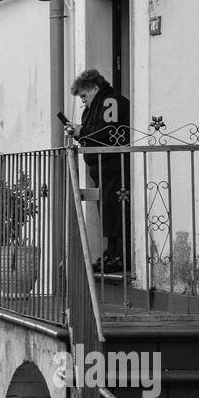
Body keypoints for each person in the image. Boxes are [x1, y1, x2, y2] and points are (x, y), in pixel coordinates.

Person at [66, 68, 130, 274]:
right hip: (101, 168)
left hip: (114, 166)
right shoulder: (92, 108)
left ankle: (120, 254)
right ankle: (112, 252)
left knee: (116, 209)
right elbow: (93, 136)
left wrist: (81, 131)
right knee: (107, 210)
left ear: (95, 88)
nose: (83, 101)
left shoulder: (110, 101)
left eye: (84, 96)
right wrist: (78, 133)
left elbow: (110, 131)